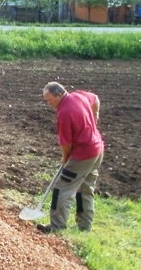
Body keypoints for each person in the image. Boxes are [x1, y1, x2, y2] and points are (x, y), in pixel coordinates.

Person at [37, 82, 104, 233]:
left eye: (50, 100)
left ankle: (57, 226)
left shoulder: (64, 112)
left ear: (59, 94)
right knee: (85, 189)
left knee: (61, 189)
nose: (49, 104)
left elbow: (66, 143)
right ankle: (84, 227)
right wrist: (94, 119)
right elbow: (95, 99)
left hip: (83, 155)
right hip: (97, 150)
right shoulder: (78, 96)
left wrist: (65, 158)